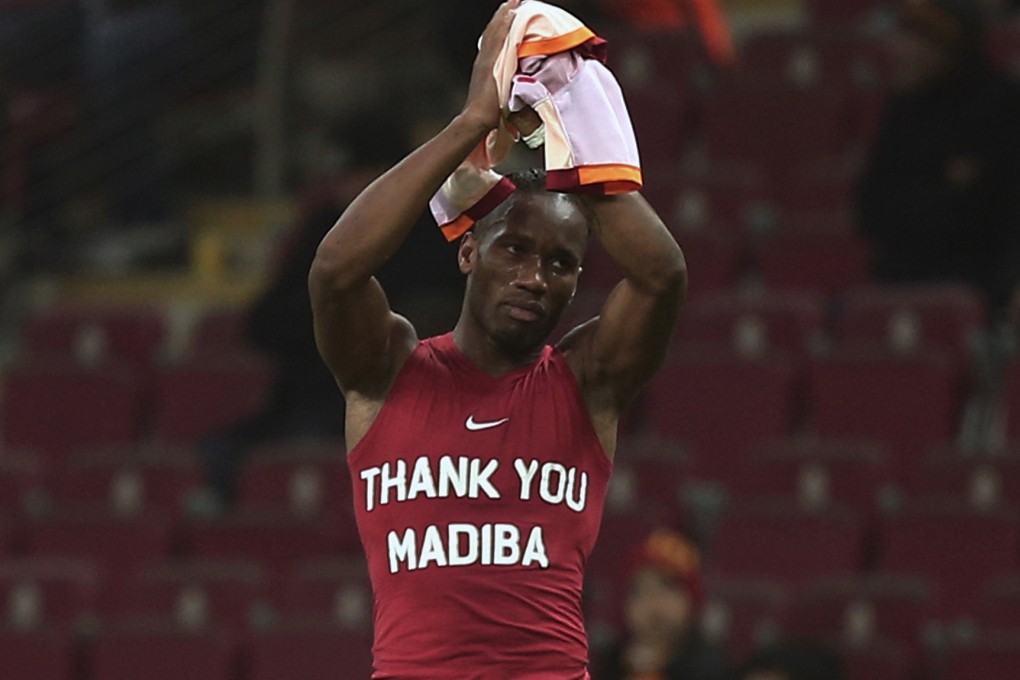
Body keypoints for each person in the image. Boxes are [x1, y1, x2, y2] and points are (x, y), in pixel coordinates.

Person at [307, 1, 687, 676]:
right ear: (468, 253)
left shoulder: (587, 380)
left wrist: (579, 144)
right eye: (514, 248)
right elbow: (336, 272)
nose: (535, 276)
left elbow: (662, 277)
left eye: (562, 262)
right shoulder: (389, 368)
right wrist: (474, 123)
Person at [855, 0, 1020, 322]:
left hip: (980, 283)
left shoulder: (999, 103)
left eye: (913, 37)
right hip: (898, 279)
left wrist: (925, 201)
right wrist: (944, 190)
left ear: (946, 44)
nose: (898, 49)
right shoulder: (902, 109)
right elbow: (869, 209)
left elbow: (994, 210)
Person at [595, 528, 733, 680]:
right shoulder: (609, 665)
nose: (654, 604)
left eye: (668, 587)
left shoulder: (713, 669)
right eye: (640, 591)